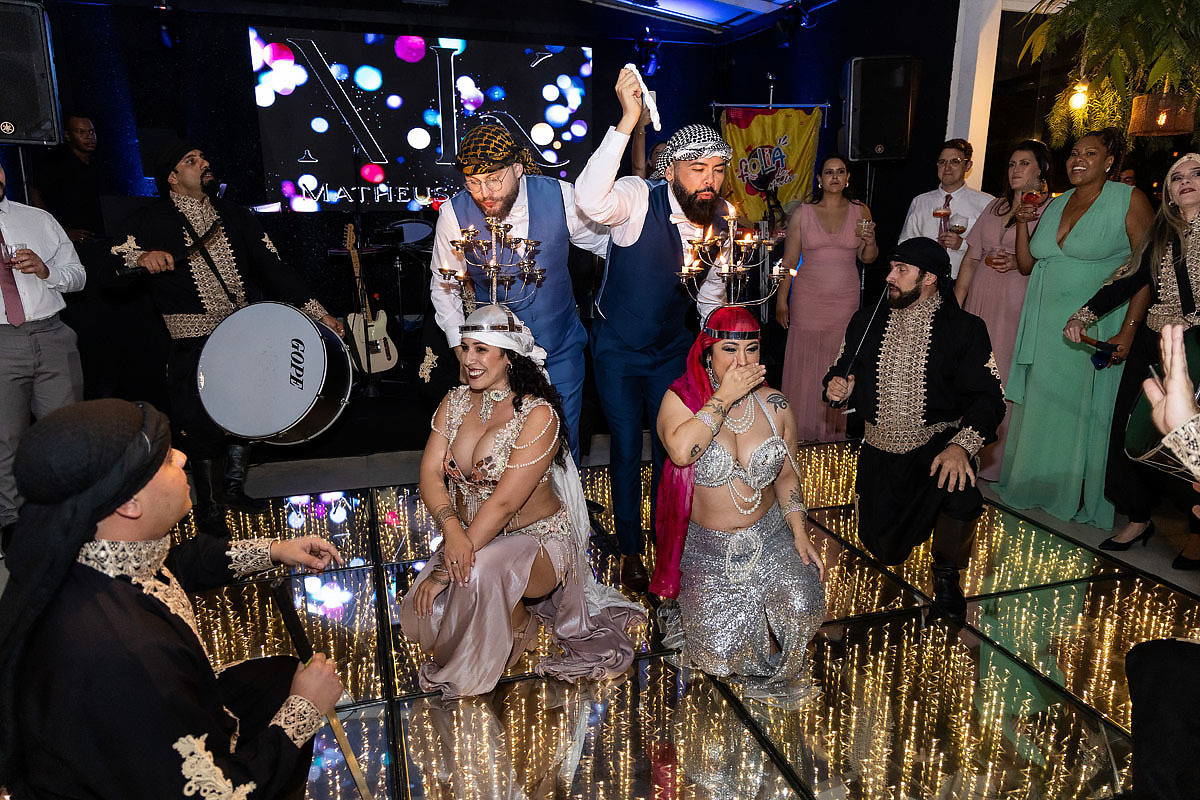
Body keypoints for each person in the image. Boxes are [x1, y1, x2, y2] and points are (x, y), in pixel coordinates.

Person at [0, 398, 344, 798]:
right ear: (128, 503)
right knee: (292, 694)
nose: (181, 457)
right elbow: (215, 794)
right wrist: (304, 710)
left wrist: (274, 550)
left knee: (277, 679)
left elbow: (179, 564)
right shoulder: (129, 654)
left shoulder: (93, 549)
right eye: (163, 460)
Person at [400, 304, 645, 699]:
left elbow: (504, 504)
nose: (469, 359)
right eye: (465, 348)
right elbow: (429, 474)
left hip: (538, 541)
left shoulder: (538, 414)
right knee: (420, 612)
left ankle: (508, 625)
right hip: (471, 535)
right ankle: (515, 616)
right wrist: (452, 534)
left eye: (482, 349)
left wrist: (447, 567)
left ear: (509, 355)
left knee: (470, 574)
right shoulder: (456, 401)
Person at [111, 141, 342, 536]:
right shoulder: (149, 220)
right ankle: (210, 509)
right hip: (192, 337)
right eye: (191, 160)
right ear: (171, 176)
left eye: (203, 157)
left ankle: (233, 487)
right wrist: (139, 259)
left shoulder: (235, 216)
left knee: (246, 410)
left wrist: (318, 312)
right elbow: (109, 262)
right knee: (197, 421)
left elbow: (274, 267)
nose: (204, 163)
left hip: (244, 333)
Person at [574, 67, 730, 590]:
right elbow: (590, 201)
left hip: (671, 349)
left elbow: (709, 296)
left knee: (671, 449)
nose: (708, 180)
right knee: (623, 447)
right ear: (670, 171)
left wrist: (716, 350)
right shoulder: (639, 196)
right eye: (696, 170)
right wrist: (627, 120)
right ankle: (628, 547)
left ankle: (671, 546)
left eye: (717, 169)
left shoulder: (723, 220)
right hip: (617, 346)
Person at [824, 238, 1005, 620]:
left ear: (930, 279)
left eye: (901, 270)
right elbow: (841, 368)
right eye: (891, 267)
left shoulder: (965, 328)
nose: (889, 276)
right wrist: (838, 387)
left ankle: (946, 577)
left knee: (963, 494)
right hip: (878, 448)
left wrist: (962, 446)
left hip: (935, 444)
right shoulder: (866, 320)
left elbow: (989, 397)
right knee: (884, 549)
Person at [653, 305, 825, 705]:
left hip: (770, 536)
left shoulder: (775, 404)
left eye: (751, 349)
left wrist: (800, 533)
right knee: (716, 657)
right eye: (730, 349)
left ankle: (767, 611)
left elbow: (786, 477)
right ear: (707, 353)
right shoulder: (680, 399)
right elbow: (681, 452)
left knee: (804, 608)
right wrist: (724, 398)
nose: (742, 361)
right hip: (709, 548)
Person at [997, 129, 1155, 530]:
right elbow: (1028, 264)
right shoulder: (1057, 202)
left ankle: (1079, 492)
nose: (1077, 159)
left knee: (1082, 413)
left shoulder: (1128, 199)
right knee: (1043, 407)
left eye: (1090, 152)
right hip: (1046, 324)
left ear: (1108, 161)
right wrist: (1020, 224)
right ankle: (1037, 487)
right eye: (1073, 153)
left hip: (1096, 325)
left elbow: (1146, 270)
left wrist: (1131, 330)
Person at [429, 123, 608, 460]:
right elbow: (444, 287)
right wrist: (463, 352)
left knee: (562, 448)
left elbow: (607, 243)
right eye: (473, 182)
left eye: (494, 179)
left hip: (560, 350)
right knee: (501, 452)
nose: (484, 192)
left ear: (517, 168)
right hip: (495, 360)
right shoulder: (455, 213)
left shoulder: (560, 195)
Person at [1063, 153, 1200, 566]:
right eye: (1177, 177)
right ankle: (1139, 516)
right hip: (1152, 341)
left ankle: (1197, 530)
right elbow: (1129, 275)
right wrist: (1082, 314)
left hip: (1198, 344)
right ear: (1169, 195)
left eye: (1196, 174)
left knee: (1188, 434)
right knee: (1131, 430)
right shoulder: (1161, 233)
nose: (1186, 181)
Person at [0, 159, 86, 549]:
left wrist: (47, 272)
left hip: (51, 333)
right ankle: (13, 527)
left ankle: (71, 517)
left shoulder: (36, 218)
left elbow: (78, 275)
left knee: (65, 433)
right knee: (6, 440)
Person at [954, 140, 1051, 480]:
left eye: (1024, 163)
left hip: (1015, 300)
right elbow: (970, 258)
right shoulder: (995, 207)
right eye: (1011, 164)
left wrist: (1024, 261)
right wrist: (957, 302)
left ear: (1040, 169)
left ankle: (998, 464)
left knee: (1004, 375)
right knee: (973, 371)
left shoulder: (1049, 209)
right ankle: (964, 451)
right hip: (982, 294)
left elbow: (1051, 261)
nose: (1015, 170)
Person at [775, 154, 878, 442]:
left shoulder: (861, 211)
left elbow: (868, 258)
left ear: (847, 178)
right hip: (808, 297)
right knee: (804, 364)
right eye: (828, 172)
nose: (834, 177)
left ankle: (831, 434)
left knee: (838, 360)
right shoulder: (804, 213)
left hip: (844, 298)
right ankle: (798, 431)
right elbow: (790, 261)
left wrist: (870, 242)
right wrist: (782, 300)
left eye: (840, 172)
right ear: (819, 179)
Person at [898, 138, 994, 279]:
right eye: (942, 162)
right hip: (925, 280)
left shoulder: (986, 203)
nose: (947, 167)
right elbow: (905, 244)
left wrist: (962, 245)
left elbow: (992, 251)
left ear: (968, 166)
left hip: (963, 281)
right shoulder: (920, 202)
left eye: (955, 162)